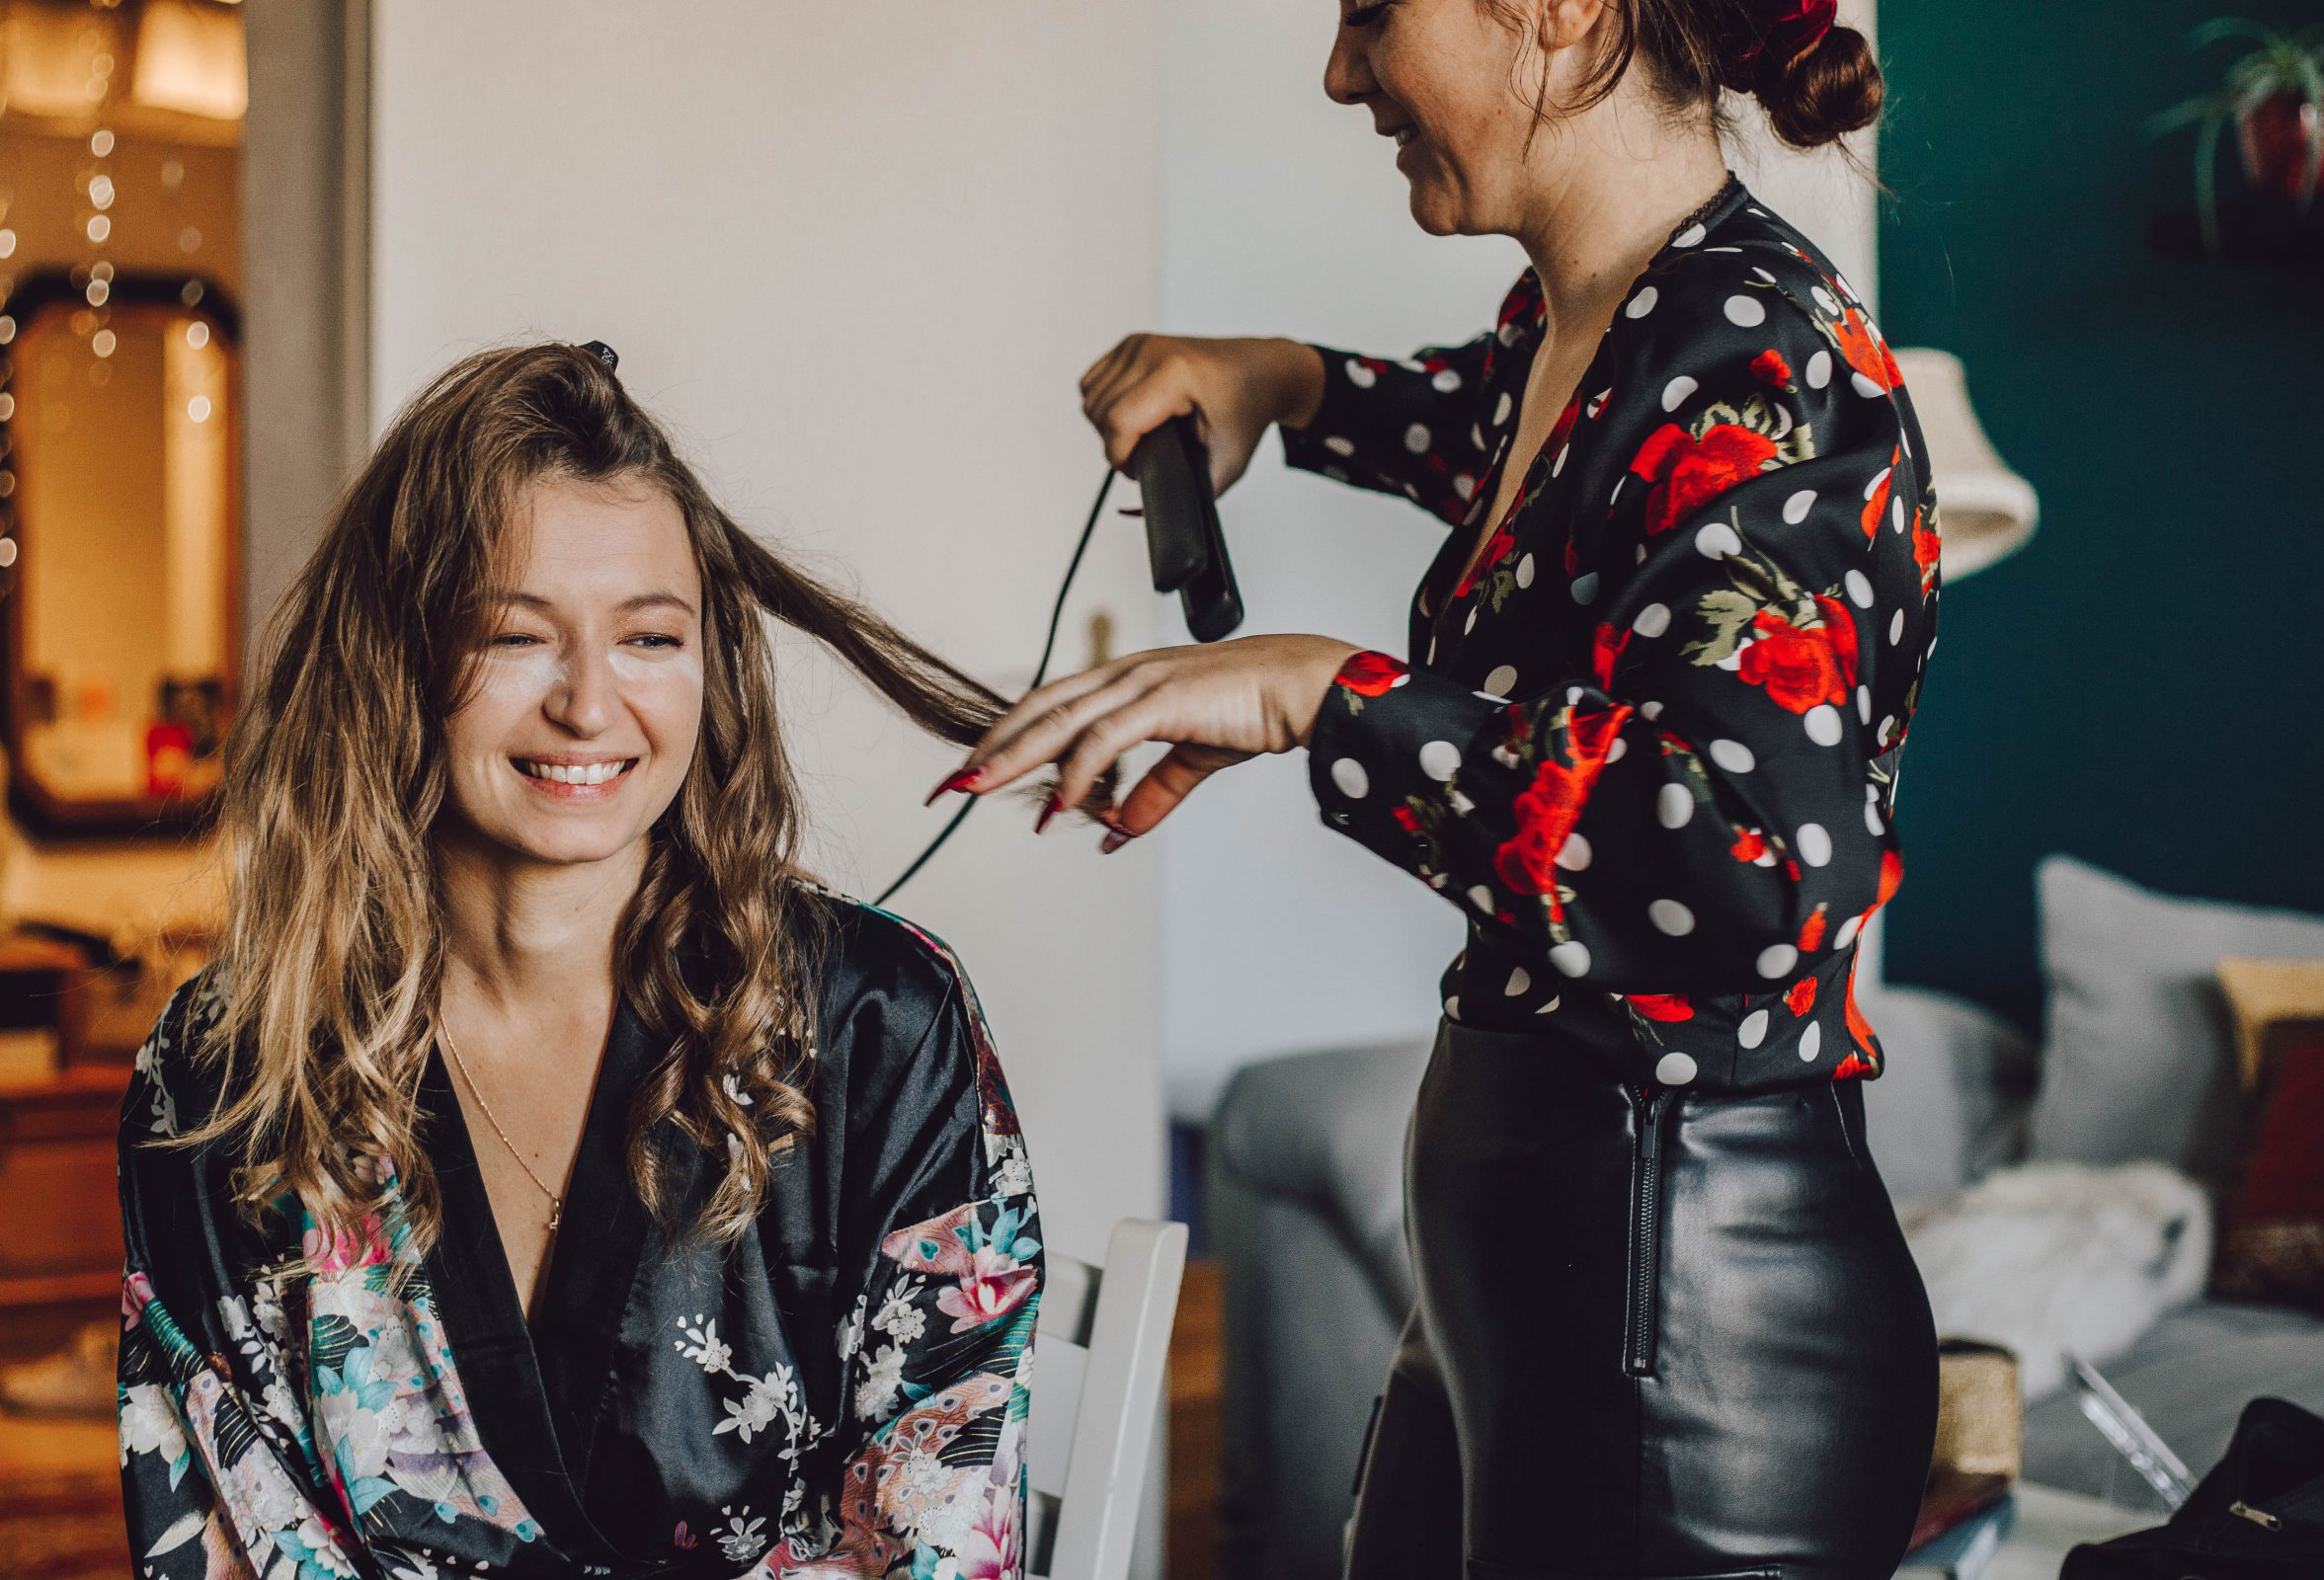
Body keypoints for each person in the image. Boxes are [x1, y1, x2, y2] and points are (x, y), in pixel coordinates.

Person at [941, 0, 1942, 1574]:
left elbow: (1754, 872)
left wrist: (1315, 694)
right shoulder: (1593, 327)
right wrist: (1283, 381)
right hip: (1535, 1288)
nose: (1343, 73)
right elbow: (1496, 442)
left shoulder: (1767, 357)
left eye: (1371, 13)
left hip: (1688, 1334)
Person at [117, 344, 1042, 1579]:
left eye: (650, 637)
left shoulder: (880, 1027)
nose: (591, 705)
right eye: (516, 635)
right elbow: (232, 1533)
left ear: (710, 664)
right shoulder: (228, 1068)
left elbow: (936, 1531)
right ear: (396, 660)